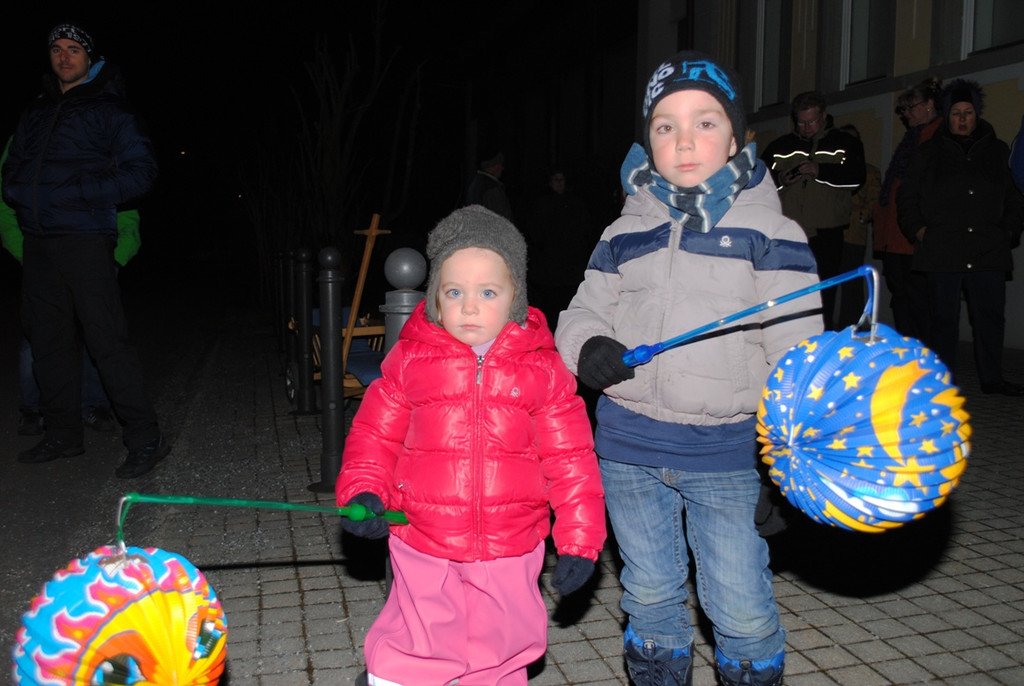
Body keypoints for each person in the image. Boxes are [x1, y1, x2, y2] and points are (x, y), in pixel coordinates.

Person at [555, 51, 822, 686]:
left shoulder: (771, 230)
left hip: (725, 452)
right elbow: (581, 311)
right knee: (649, 591)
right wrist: (587, 346)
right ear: (648, 142)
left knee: (738, 600)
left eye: (705, 122)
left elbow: (797, 354)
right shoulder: (623, 230)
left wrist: (786, 459)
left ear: (735, 137)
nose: (684, 141)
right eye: (665, 126)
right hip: (627, 447)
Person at [335, 205, 606, 685]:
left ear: (515, 298)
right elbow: (374, 437)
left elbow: (572, 463)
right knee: (422, 633)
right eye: (454, 291)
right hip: (424, 536)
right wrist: (363, 492)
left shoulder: (544, 372)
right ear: (436, 299)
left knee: (500, 642)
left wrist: (580, 542)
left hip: (510, 544)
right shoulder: (410, 360)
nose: (470, 306)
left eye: (488, 292)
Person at [2, 23, 169, 477]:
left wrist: (81, 194)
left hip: (86, 239)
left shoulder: (111, 109)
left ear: (89, 58)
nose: (64, 56)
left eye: (73, 49)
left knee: (106, 340)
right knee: (48, 342)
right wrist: (17, 191)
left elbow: (142, 172)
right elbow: (13, 166)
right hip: (39, 241)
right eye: (56, 49)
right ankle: (63, 434)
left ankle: (145, 438)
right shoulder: (36, 111)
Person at [1, 137, 140, 436]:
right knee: (39, 335)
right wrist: (29, 255)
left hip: (94, 258)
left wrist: (116, 256)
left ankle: (95, 405)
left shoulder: (100, 136)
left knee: (99, 333)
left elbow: (125, 203)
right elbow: (6, 202)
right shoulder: (27, 136)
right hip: (43, 257)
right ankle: (34, 408)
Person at [897, 78, 1024, 396]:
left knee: (990, 316)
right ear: (947, 116)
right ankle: (944, 380)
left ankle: (992, 378)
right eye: (956, 113)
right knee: (943, 318)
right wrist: (918, 229)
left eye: (969, 112)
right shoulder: (929, 153)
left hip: (988, 248)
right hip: (943, 249)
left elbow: (1014, 197)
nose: (963, 119)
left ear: (977, 114)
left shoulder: (997, 150)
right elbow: (907, 196)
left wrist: (1009, 230)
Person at [761, 90, 866, 330]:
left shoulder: (844, 142)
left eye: (812, 121)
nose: (807, 127)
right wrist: (781, 179)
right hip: (789, 231)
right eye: (801, 122)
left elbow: (856, 178)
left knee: (824, 291)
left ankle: (821, 335)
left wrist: (821, 171)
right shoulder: (780, 146)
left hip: (827, 232)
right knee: (787, 288)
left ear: (824, 116)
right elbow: (759, 182)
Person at [872, 77, 944, 341]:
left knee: (919, 300)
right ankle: (907, 350)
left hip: (915, 236)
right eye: (903, 109)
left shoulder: (939, 139)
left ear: (930, 104)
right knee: (902, 296)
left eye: (911, 107)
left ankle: (922, 352)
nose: (906, 114)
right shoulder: (912, 139)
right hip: (895, 236)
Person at [522, 166, 598, 330]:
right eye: (555, 180)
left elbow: (585, 232)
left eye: (561, 180)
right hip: (548, 272)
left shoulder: (575, 204)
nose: (558, 184)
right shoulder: (541, 204)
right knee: (549, 311)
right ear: (550, 183)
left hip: (570, 271)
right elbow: (534, 234)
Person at [836, 124, 881, 329]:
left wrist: (862, 215)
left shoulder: (868, 171)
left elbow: (874, 202)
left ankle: (853, 326)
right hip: (830, 234)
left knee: (852, 283)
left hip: (853, 235)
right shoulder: (830, 169)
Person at [464, 150, 514, 220]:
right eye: (500, 164)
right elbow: (501, 219)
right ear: (493, 166)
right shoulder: (492, 189)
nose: (502, 168)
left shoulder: (474, 184)